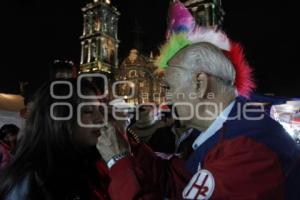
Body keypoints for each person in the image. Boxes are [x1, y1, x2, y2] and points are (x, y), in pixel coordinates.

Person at [96, 1, 300, 199]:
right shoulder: (225, 134)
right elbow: (178, 180)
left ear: (199, 84)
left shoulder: (247, 152)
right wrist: (125, 142)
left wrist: (118, 161)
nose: (167, 98)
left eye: (170, 87)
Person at [0, 77, 110, 200]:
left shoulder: (92, 164)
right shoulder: (32, 180)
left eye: (100, 110)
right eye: (88, 111)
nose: (101, 118)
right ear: (59, 117)